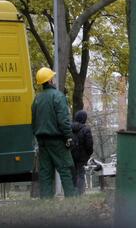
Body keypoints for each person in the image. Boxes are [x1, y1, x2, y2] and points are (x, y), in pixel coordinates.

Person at [31, 67, 76, 198]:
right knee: (65, 169)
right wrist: (68, 136)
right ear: (50, 80)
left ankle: (46, 200)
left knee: (45, 172)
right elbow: (63, 120)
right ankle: (71, 197)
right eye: (53, 77)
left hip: (42, 141)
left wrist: (37, 137)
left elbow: (33, 121)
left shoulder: (37, 99)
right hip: (57, 140)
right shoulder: (58, 96)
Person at [71, 110, 94, 195]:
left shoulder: (69, 128)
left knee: (73, 173)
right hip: (82, 156)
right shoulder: (86, 129)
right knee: (80, 174)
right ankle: (80, 193)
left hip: (71, 155)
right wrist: (88, 154)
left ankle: (72, 192)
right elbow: (89, 144)